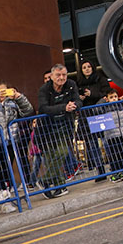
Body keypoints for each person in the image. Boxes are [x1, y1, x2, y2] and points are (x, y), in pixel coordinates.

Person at [37, 64, 81, 198]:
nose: (61, 78)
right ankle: (60, 187)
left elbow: (78, 100)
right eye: (58, 75)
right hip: (47, 129)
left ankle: (44, 180)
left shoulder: (71, 85)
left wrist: (74, 105)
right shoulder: (44, 89)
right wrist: (64, 107)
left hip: (65, 126)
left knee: (62, 152)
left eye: (64, 75)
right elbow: (43, 108)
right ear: (51, 76)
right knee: (51, 158)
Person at [74, 60, 108, 182]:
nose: (87, 69)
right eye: (84, 67)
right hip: (86, 116)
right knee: (92, 144)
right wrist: (80, 98)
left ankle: (115, 166)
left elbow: (106, 93)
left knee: (106, 140)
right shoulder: (78, 83)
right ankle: (100, 169)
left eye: (89, 66)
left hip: (100, 114)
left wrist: (91, 93)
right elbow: (75, 99)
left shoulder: (100, 79)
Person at [98, 90, 123, 182]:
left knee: (121, 153)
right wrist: (103, 101)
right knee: (113, 154)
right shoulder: (105, 107)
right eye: (111, 97)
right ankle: (114, 173)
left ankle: (121, 171)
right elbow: (96, 109)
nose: (114, 99)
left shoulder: (121, 105)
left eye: (115, 97)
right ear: (107, 99)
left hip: (122, 132)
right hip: (111, 134)